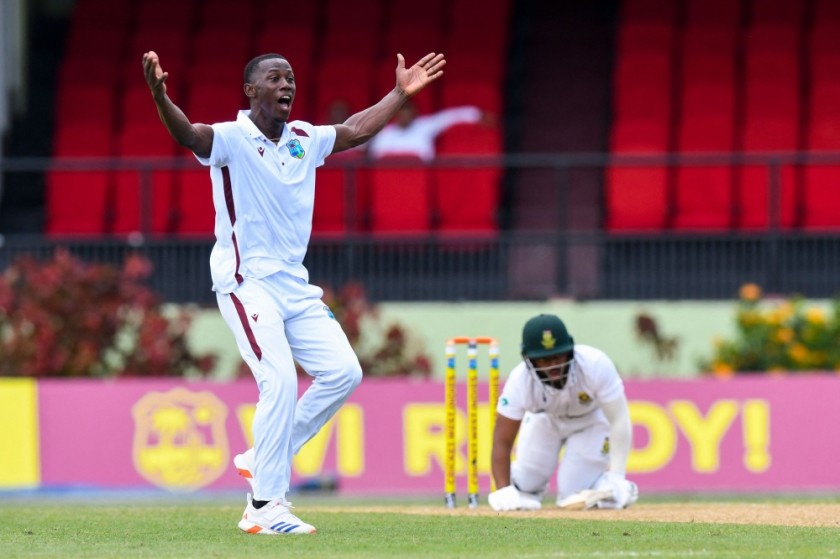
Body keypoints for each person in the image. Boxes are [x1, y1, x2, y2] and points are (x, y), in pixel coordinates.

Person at [142, 49, 445, 534]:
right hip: (246, 283)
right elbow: (188, 134)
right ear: (251, 89)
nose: (287, 85)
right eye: (275, 78)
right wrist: (161, 97)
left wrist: (398, 94)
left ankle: (261, 457)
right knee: (279, 381)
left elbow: (356, 131)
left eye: (291, 78)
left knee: (343, 372)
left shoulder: (305, 137)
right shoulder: (231, 138)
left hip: (294, 286)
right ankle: (263, 508)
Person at [488, 314, 638, 511]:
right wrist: (503, 489)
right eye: (543, 360)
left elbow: (619, 419)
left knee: (573, 497)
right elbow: (502, 441)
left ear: (570, 351)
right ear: (529, 360)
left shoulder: (595, 365)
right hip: (545, 421)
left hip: (590, 422)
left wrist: (617, 475)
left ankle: (615, 489)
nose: (553, 366)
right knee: (525, 482)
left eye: (558, 356)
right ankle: (528, 493)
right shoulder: (519, 381)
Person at [366, 101, 485, 162]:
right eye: (401, 112)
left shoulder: (424, 126)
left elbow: (449, 117)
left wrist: (476, 114)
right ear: (395, 114)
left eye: (408, 112)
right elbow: (374, 158)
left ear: (414, 113)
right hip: (392, 185)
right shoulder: (385, 134)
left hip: (420, 182)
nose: (404, 116)